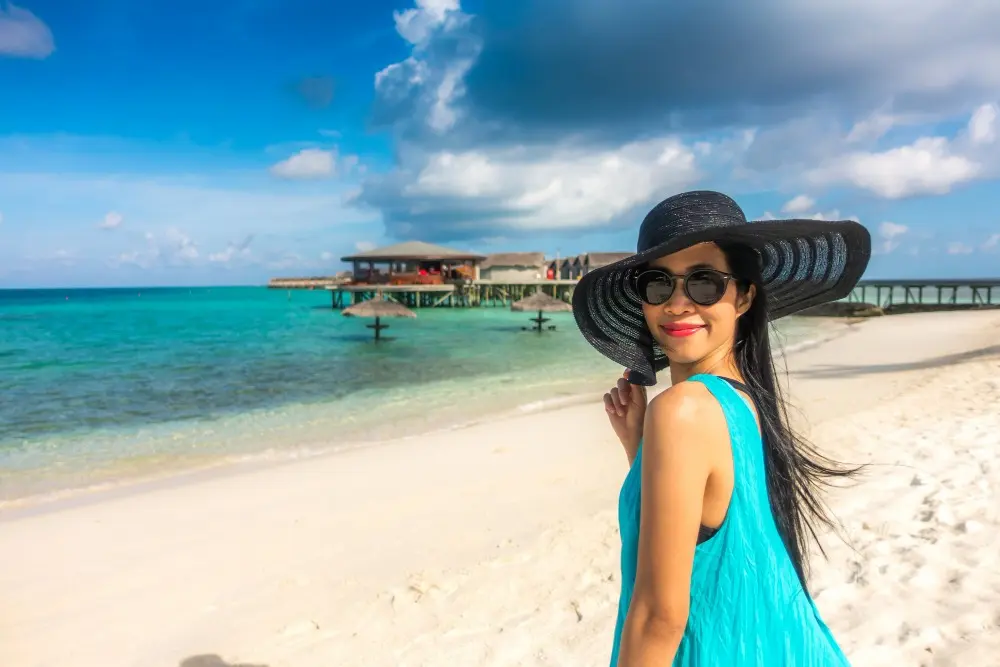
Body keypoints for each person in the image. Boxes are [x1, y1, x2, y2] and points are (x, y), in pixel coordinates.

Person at [571, 190, 871, 666]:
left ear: (745, 295)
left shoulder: (684, 410)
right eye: (657, 284)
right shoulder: (744, 401)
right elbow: (707, 527)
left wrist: (657, 436)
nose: (677, 304)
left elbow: (658, 617)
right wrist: (641, 451)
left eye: (705, 283)